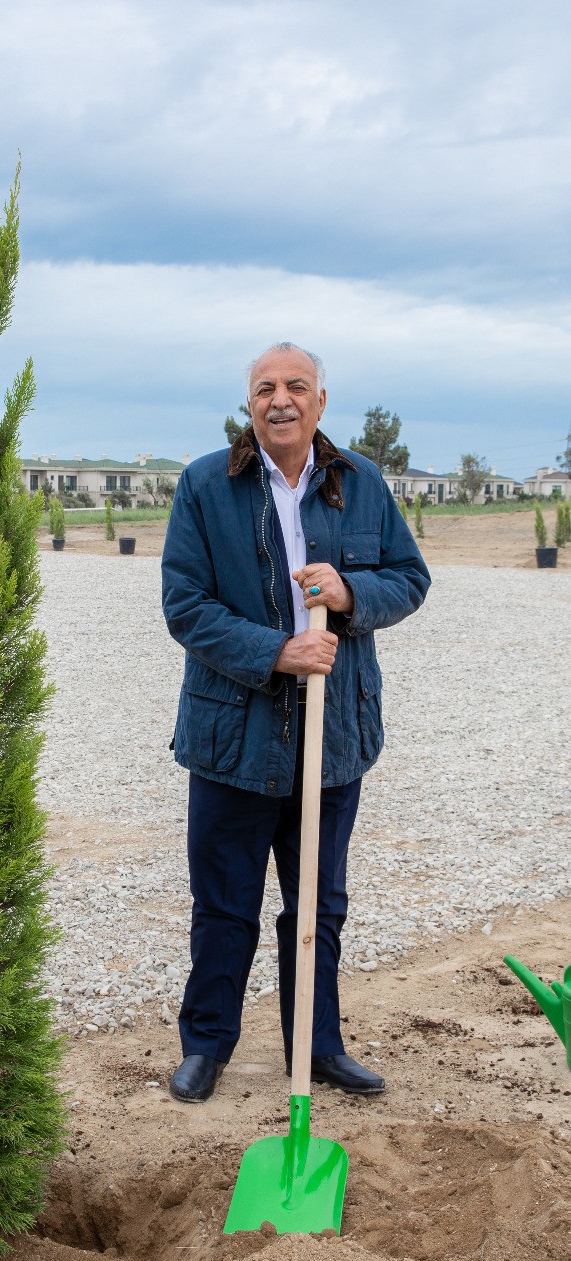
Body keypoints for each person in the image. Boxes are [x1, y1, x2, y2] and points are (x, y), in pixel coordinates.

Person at [161, 342, 429, 1104]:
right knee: (224, 904)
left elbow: (410, 579)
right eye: (265, 388)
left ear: (320, 402)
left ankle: (316, 1048)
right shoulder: (207, 485)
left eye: (296, 387)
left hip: (332, 739)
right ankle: (207, 1045)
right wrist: (278, 651)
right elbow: (186, 606)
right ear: (249, 403)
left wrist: (347, 595)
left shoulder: (361, 484)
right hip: (232, 740)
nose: (280, 400)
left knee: (318, 905)